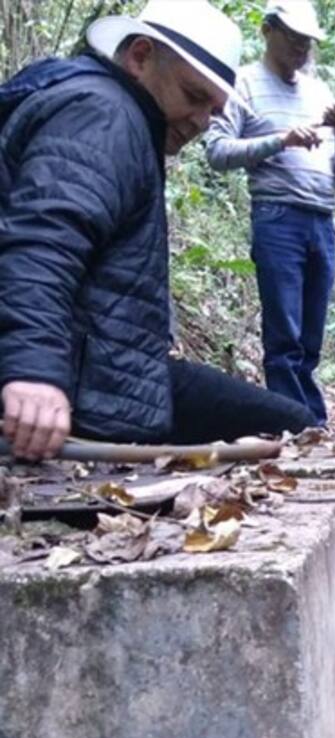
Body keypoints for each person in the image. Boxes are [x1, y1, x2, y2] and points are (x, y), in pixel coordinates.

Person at [0, 0, 316, 462]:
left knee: (293, 426)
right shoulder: (104, 116)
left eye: (214, 108)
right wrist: (33, 373)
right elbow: (41, 245)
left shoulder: (119, 114)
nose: (202, 122)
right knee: (297, 428)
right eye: (193, 95)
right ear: (141, 56)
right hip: (82, 392)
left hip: (111, 375)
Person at [205, 0, 335, 427]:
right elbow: (217, 152)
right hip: (277, 218)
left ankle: (306, 421)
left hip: (321, 219)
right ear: (268, 30)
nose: (302, 48)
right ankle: (298, 424)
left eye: (307, 41)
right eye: (293, 37)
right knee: (284, 334)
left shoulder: (319, 90)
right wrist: (281, 140)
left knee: (310, 337)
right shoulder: (243, 85)